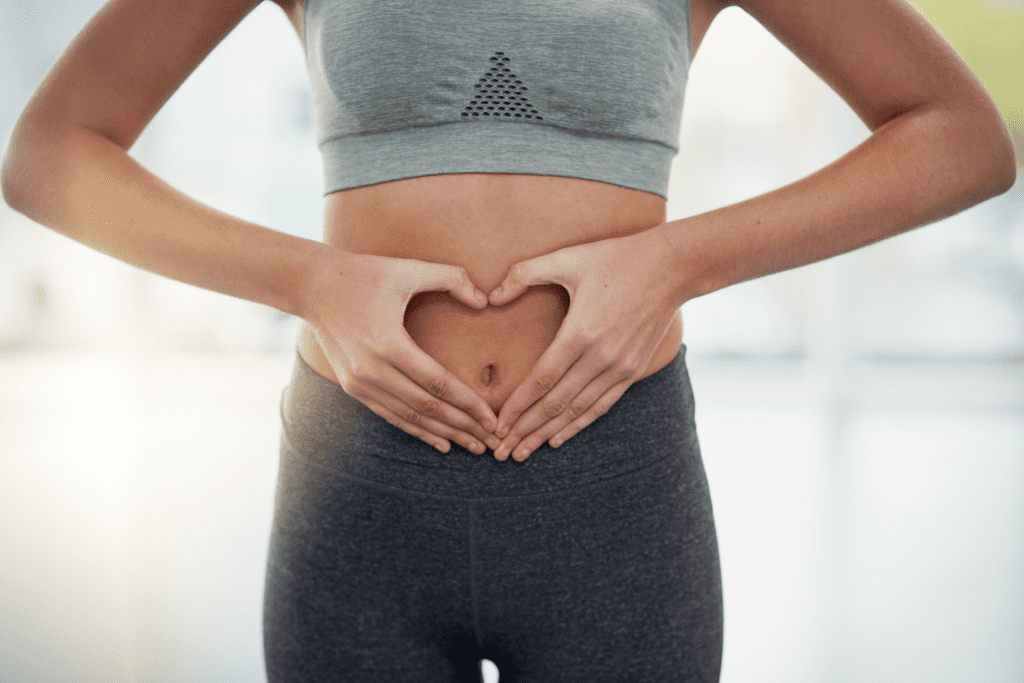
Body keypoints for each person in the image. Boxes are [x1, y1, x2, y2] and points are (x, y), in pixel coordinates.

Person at [0, 0, 1015, 679]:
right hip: (359, 485)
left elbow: (957, 138)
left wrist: (673, 263)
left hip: (613, 488)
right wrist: (309, 279)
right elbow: (53, 151)